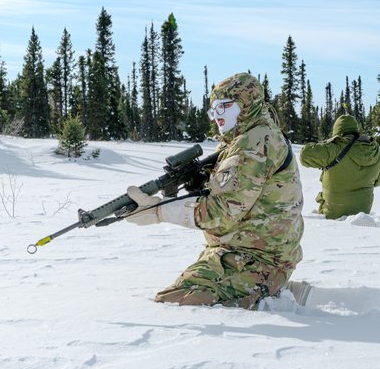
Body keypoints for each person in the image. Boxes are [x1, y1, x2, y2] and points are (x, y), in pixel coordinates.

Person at [123, 72, 304, 308]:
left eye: (226, 106)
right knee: (177, 296)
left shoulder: (253, 143)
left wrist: (160, 212)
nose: (218, 115)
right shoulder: (245, 138)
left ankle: (271, 294)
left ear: (247, 104)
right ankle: (269, 289)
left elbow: (222, 213)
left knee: (178, 302)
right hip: (238, 252)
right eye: (215, 109)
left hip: (258, 260)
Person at [299, 114, 380, 219]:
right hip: (363, 212)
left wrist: (327, 142)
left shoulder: (333, 149)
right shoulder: (375, 152)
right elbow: (379, 181)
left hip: (333, 211)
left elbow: (304, 155)